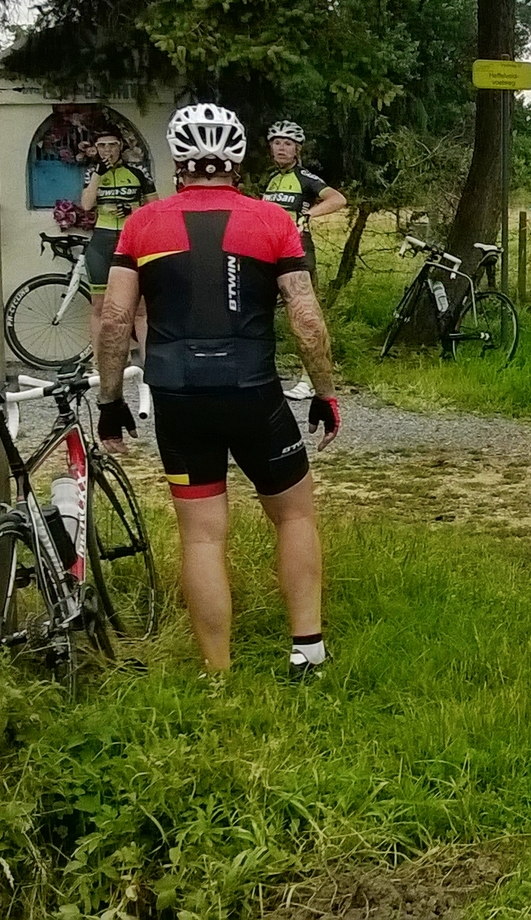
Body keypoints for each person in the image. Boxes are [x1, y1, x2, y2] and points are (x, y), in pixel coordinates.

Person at [95, 103, 341, 678]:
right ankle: (307, 651)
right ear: (238, 159)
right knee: (294, 516)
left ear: (178, 160)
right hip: (253, 390)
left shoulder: (142, 223)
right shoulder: (272, 220)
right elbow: (306, 318)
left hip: (177, 394)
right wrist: (324, 392)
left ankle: (218, 675)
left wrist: (110, 401)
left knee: (202, 538)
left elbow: (114, 320)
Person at [259, 121, 347, 400]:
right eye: (277, 143)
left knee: (304, 315)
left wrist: (309, 215)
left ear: (297, 149)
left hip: (297, 251)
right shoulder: (271, 179)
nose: (281, 148)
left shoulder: (305, 178)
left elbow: (337, 199)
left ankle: (309, 380)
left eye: (288, 143)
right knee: (261, 311)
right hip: (268, 252)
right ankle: (262, 370)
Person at [79, 126, 155, 356]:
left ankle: (148, 363)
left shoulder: (138, 172)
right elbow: (86, 205)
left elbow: (154, 208)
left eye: (112, 145)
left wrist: (132, 209)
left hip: (131, 240)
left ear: (120, 146)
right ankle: (98, 364)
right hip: (102, 242)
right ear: (96, 149)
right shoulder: (92, 173)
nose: (107, 150)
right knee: (100, 307)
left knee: (140, 309)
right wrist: (98, 175)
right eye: (102, 146)